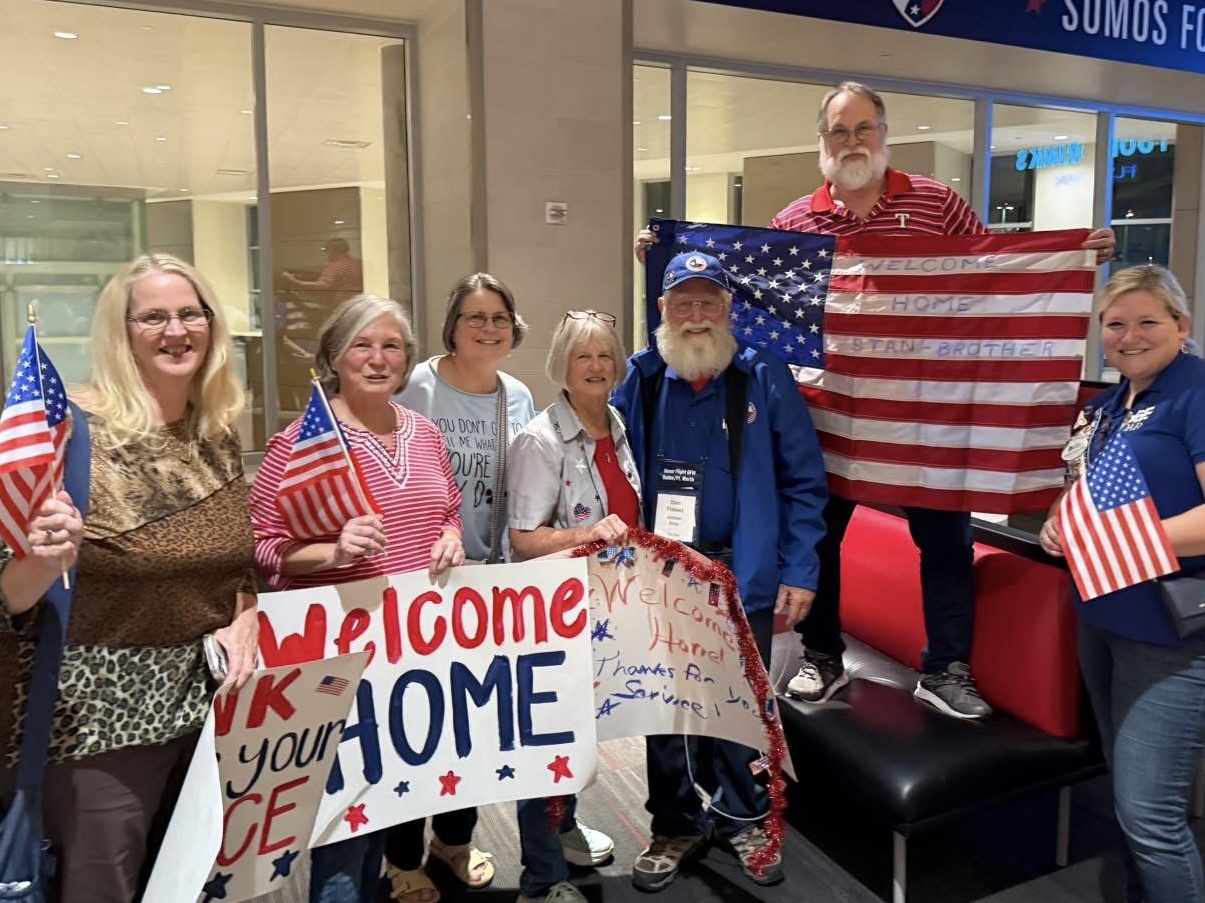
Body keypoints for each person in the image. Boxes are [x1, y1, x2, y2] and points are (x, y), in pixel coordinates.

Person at [637, 79, 1118, 720]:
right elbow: (739, 298)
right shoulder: (794, 223)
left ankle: (945, 668)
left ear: (885, 135)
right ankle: (823, 655)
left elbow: (988, 282)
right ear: (822, 141)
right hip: (829, 416)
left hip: (922, 419)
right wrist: (661, 256)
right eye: (839, 131)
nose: (852, 141)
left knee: (943, 542)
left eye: (864, 128)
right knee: (819, 540)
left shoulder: (937, 204)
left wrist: (1068, 257)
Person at [0, 253, 258, 902]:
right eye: (153, 317)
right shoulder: (69, 430)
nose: (177, 330)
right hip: (97, 726)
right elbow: (8, 596)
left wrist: (246, 615)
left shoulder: (214, 427)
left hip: (205, 714)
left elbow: (236, 563)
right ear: (121, 331)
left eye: (190, 313)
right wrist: (39, 560)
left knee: (189, 880)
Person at [612, 251, 828, 891]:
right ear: (663, 310)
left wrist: (802, 569)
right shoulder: (643, 378)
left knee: (742, 707)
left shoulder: (763, 377)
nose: (696, 315)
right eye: (684, 303)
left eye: (709, 303)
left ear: (729, 309)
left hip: (745, 573)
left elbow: (804, 483)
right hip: (664, 575)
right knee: (666, 706)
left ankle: (744, 817)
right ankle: (676, 823)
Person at [250, 294, 466, 903]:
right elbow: (266, 548)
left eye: (391, 345)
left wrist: (449, 534)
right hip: (339, 661)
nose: (378, 358)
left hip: (416, 656)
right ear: (333, 358)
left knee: (397, 798)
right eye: (362, 346)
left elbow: (446, 507)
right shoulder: (302, 442)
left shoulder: (423, 433)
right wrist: (335, 552)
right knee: (345, 829)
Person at [1039, 265, 1205, 903]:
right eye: (1115, 324)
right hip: (1103, 620)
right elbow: (1086, 500)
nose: (1129, 336)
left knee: (1151, 816)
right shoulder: (1107, 406)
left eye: (1147, 322)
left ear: (1181, 325)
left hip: (1171, 634)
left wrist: (1131, 541)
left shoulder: (1194, 392)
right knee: (1128, 797)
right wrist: (1060, 525)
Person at [505, 309, 636, 903]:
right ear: (562, 365)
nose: (596, 365)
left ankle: (564, 826)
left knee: (578, 731)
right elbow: (523, 539)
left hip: (609, 606)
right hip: (555, 614)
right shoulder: (541, 438)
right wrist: (586, 536)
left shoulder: (616, 420)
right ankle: (541, 876)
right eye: (583, 355)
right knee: (548, 741)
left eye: (605, 354)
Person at [281, 237, 365, 305]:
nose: (326, 254)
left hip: (342, 306)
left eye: (327, 250)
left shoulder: (335, 266)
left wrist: (296, 282)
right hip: (359, 303)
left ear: (334, 250)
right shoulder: (358, 263)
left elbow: (322, 286)